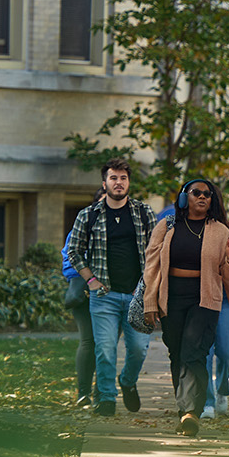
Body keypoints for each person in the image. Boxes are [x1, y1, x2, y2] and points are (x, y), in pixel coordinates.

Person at [142, 179, 229, 437]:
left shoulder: (221, 231)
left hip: (204, 299)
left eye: (207, 194)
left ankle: (192, 412)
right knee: (177, 354)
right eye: (196, 193)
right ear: (184, 196)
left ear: (212, 200)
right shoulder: (167, 226)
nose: (202, 197)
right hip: (172, 297)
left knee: (193, 352)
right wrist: (150, 302)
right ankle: (184, 410)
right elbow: (152, 266)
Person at [67, 159, 157, 417]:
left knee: (139, 349)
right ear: (104, 183)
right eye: (113, 178)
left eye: (123, 178)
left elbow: (156, 252)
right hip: (103, 296)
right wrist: (91, 280)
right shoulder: (89, 214)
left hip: (138, 295)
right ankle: (106, 398)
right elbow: (74, 251)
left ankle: (127, 382)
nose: (119, 183)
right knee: (104, 349)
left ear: (129, 182)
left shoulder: (143, 213)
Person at [63, 188, 107, 408]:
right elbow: (68, 260)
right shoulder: (81, 227)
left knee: (105, 344)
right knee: (89, 341)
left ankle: (103, 394)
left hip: (111, 293)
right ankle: (83, 393)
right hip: (84, 293)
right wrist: (86, 281)